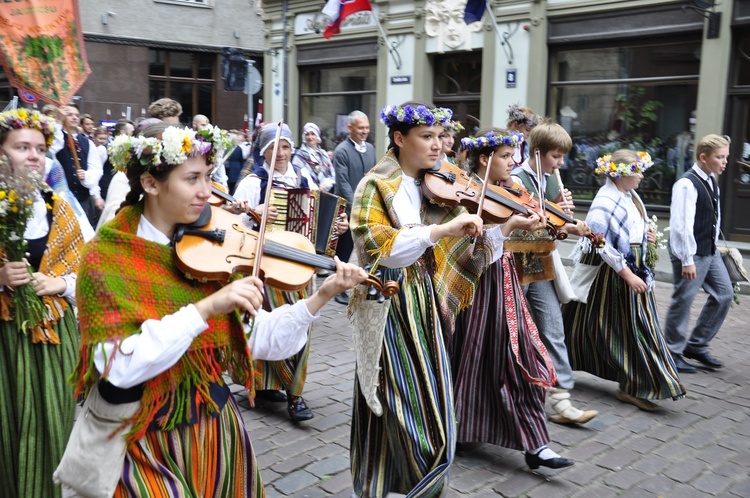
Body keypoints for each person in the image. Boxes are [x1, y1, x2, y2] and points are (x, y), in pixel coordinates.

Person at [72, 124, 368, 496]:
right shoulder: (107, 258)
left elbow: (261, 340)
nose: (206, 191)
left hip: (212, 426)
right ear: (150, 182)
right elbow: (119, 367)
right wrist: (206, 308)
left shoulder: (208, 253)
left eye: (209, 177)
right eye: (192, 178)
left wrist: (320, 297)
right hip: (140, 437)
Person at [349, 102, 507, 497]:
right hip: (389, 306)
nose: (439, 146)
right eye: (427, 137)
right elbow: (380, 250)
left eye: (441, 137)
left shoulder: (433, 183)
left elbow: (465, 247)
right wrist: (439, 232)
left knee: (423, 409)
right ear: (400, 139)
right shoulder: (375, 185)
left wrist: (504, 226)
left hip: (423, 302)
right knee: (406, 416)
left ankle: (390, 487)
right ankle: (386, 485)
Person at [453, 128, 573, 470]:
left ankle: (536, 444)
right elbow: (466, 254)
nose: (513, 162)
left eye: (512, 156)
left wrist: (554, 220)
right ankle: (463, 428)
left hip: (504, 282)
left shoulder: (512, 191)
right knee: (473, 359)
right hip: (475, 289)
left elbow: (533, 228)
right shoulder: (464, 195)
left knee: (523, 357)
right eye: (506, 157)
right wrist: (508, 228)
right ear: (485, 159)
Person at [0, 109, 85, 498]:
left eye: (39, 148)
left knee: (56, 425)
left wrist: (59, 282)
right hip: (6, 339)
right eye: (22, 147)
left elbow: (85, 270)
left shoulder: (61, 208)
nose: (34, 155)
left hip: (53, 337)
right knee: (10, 427)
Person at [562, 149, 685, 411]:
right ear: (622, 175)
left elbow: (630, 227)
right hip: (616, 273)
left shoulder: (627, 195)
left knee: (596, 321)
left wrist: (645, 236)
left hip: (631, 267)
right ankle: (635, 385)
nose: (641, 176)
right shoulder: (605, 200)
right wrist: (627, 274)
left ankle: (564, 360)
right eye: (637, 171)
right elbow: (600, 242)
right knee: (632, 327)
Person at [233, 123, 329, 421]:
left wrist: (334, 228)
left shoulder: (303, 179)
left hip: (299, 261)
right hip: (265, 264)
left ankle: (295, 393)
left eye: (286, 146)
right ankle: (264, 385)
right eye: (275, 147)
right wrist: (254, 212)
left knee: (300, 324)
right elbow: (234, 223)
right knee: (269, 324)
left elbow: (318, 220)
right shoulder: (253, 182)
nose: (282, 153)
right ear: (264, 151)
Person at [511, 121, 598, 425]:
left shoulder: (549, 180)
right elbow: (522, 223)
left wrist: (567, 219)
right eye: (556, 157)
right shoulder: (515, 179)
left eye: (562, 157)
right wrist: (555, 214)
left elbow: (553, 227)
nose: (560, 164)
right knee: (513, 329)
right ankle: (512, 393)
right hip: (516, 265)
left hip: (541, 262)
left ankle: (561, 399)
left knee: (553, 326)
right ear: (537, 152)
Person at [664, 134, 734, 373]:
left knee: (725, 293)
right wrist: (687, 260)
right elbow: (681, 225)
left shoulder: (711, 180)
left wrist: (713, 245)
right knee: (683, 299)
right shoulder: (686, 184)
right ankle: (672, 352)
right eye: (720, 157)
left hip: (709, 250)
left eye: (726, 157)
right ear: (704, 158)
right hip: (691, 252)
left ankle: (696, 345)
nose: (725, 162)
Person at [332, 110, 377, 305]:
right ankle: (337, 288)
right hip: (348, 209)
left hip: (366, 207)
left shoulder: (370, 148)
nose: (365, 131)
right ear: (349, 128)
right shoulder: (342, 151)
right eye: (361, 128)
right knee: (344, 250)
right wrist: (356, 206)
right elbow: (343, 184)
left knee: (367, 250)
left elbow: (373, 177)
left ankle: (367, 286)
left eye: (367, 128)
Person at [50, 103, 105, 227]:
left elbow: (96, 169)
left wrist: (86, 176)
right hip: (61, 199)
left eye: (76, 115)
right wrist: (58, 121)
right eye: (69, 115)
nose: (74, 117)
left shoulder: (87, 142)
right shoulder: (56, 138)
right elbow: (52, 149)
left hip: (83, 199)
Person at [292, 122, 335, 192]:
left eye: (313, 134)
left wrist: (326, 184)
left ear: (317, 136)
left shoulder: (323, 154)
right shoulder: (299, 155)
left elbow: (332, 174)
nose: (310, 137)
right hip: (307, 194)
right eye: (307, 134)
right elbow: (296, 176)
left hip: (325, 193)